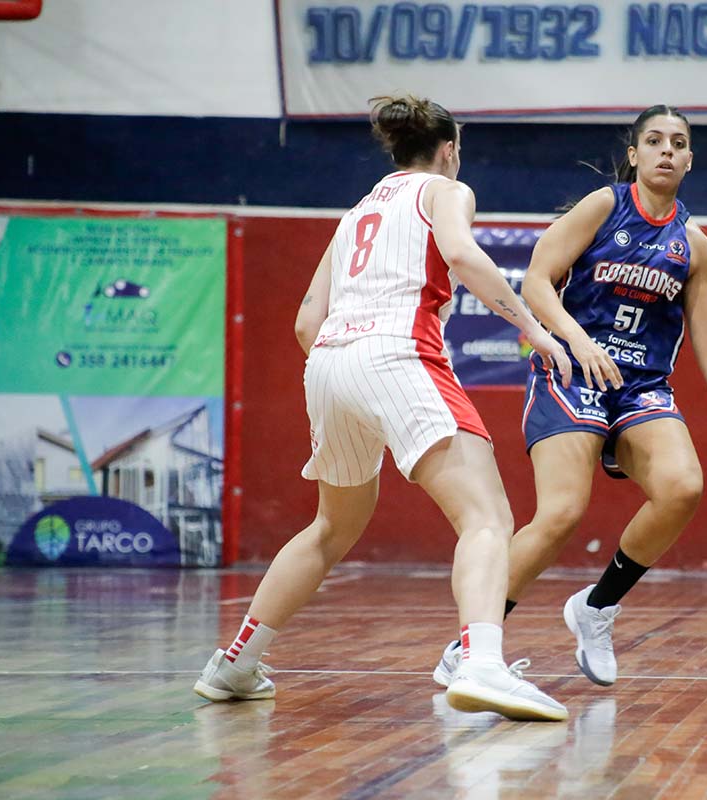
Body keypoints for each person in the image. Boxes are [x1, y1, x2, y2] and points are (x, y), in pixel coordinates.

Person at [193, 94, 574, 722]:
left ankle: (234, 663)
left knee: (329, 529)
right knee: (487, 517)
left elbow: (305, 322)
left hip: (329, 363)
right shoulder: (445, 190)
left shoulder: (355, 214)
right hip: (399, 351)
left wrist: (349, 372)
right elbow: (459, 254)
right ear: (449, 149)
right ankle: (480, 664)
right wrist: (533, 328)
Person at [430, 104, 707, 690]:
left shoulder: (695, 246)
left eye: (678, 142)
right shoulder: (604, 206)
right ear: (635, 154)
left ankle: (595, 609)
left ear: (690, 159)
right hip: (572, 370)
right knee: (562, 513)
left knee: (683, 488)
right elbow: (537, 280)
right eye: (654, 140)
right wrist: (574, 340)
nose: (666, 150)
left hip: (640, 386)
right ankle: (468, 646)